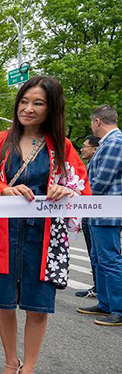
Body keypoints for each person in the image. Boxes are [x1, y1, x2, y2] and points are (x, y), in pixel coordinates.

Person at [0, 75, 90, 374]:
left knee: (39, 305)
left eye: (38, 103)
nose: (28, 108)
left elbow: (80, 184)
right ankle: (10, 365)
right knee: (4, 301)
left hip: (45, 237)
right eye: (24, 101)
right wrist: (4, 189)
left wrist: (65, 190)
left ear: (51, 108)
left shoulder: (62, 147)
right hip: (5, 234)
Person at [78, 105, 122, 326]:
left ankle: (118, 308)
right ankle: (105, 303)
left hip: (107, 212)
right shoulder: (109, 143)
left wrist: (79, 195)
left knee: (110, 260)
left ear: (97, 122)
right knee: (99, 259)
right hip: (98, 211)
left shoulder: (115, 142)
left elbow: (101, 181)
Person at [75, 136, 100, 298]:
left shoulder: (98, 164)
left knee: (100, 254)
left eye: (85, 147)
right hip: (89, 214)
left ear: (95, 149)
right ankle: (97, 286)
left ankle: (99, 288)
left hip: (97, 214)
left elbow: (93, 188)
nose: (82, 149)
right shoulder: (90, 164)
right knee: (94, 254)